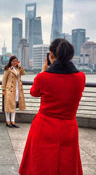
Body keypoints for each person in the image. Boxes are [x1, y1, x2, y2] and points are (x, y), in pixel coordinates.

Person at [19, 39, 85, 175]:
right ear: (70, 56)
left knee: (41, 165)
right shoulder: (81, 77)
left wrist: (44, 71)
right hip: (69, 128)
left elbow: (34, 92)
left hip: (44, 127)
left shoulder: (43, 77)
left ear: (51, 56)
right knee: (66, 165)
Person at [2, 56, 26, 128]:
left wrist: (20, 66)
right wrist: (3, 90)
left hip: (17, 90)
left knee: (14, 105)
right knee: (8, 106)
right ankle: (7, 121)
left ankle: (13, 121)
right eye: (13, 61)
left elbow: (23, 73)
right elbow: (4, 80)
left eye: (16, 61)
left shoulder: (18, 69)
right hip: (9, 90)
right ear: (10, 62)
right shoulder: (8, 69)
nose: (14, 62)